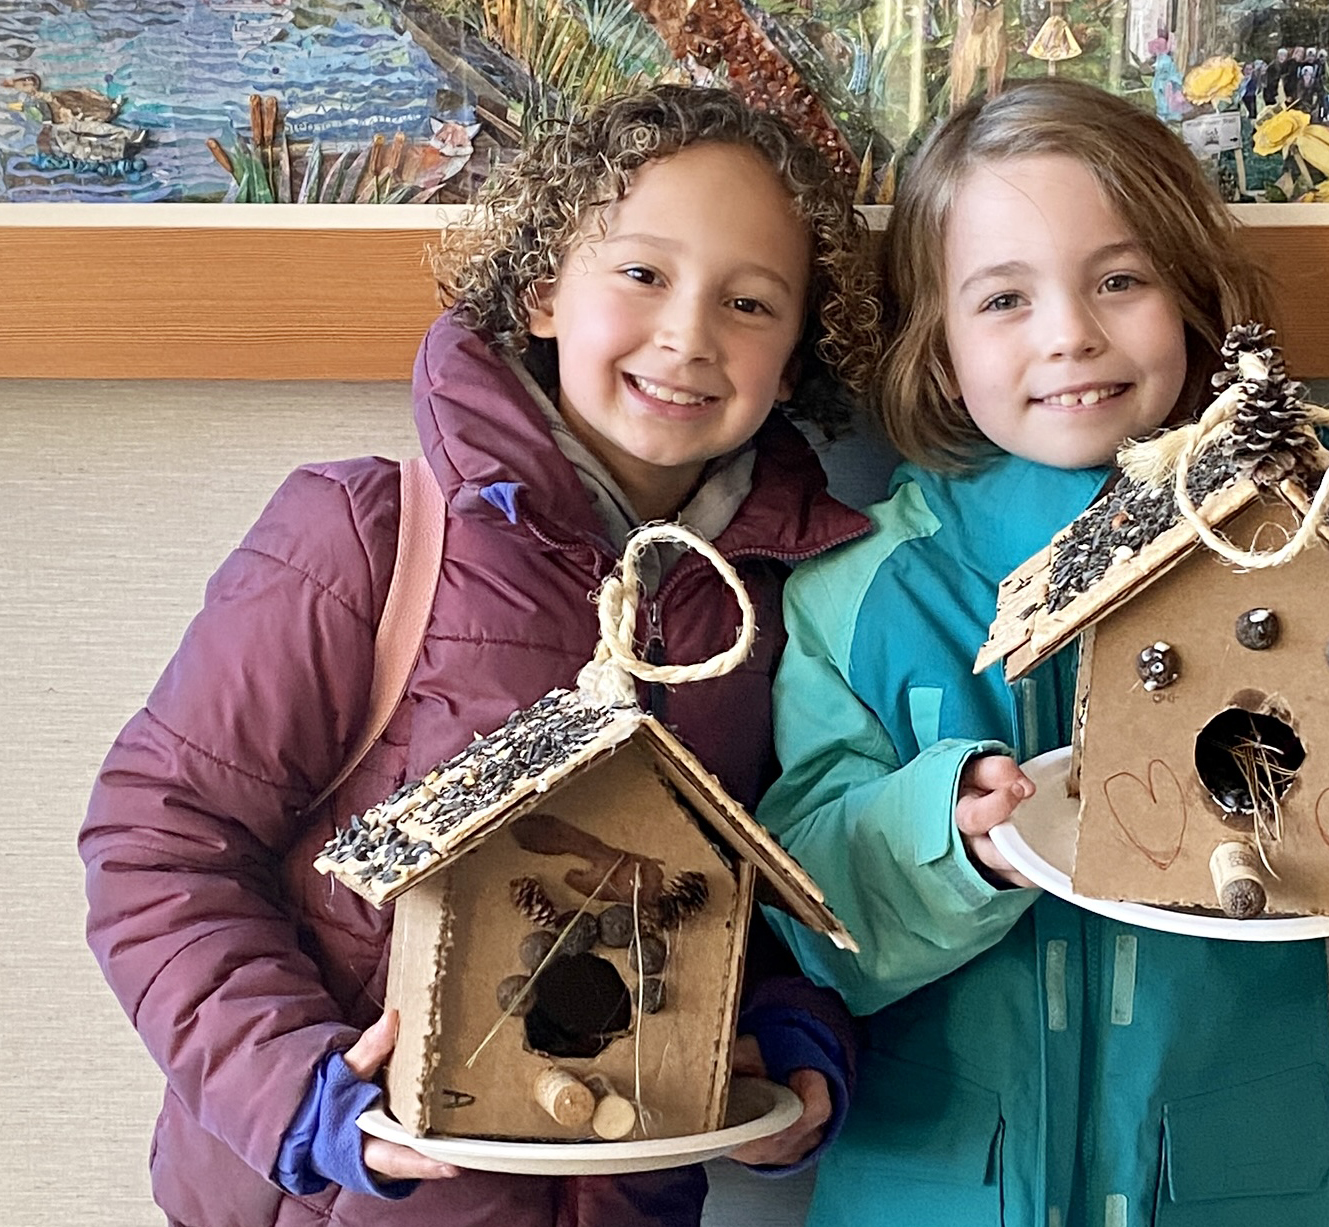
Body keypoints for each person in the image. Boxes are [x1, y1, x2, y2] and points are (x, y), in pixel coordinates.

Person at [80, 85, 882, 1227]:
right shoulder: (368, 535)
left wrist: (794, 1040)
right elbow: (157, 845)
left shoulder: (778, 606)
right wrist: (304, 1092)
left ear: (795, 360)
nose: (688, 335)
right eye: (643, 274)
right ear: (547, 287)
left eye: (750, 303)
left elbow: (769, 893)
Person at [756, 79, 1329, 1227]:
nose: (1069, 332)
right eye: (1002, 299)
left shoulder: (1312, 560)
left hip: (1227, 1182)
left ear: (1190, 306)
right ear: (935, 353)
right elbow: (810, 918)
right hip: (934, 1185)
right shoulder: (862, 594)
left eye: (1118, 280)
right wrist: (948, 840)